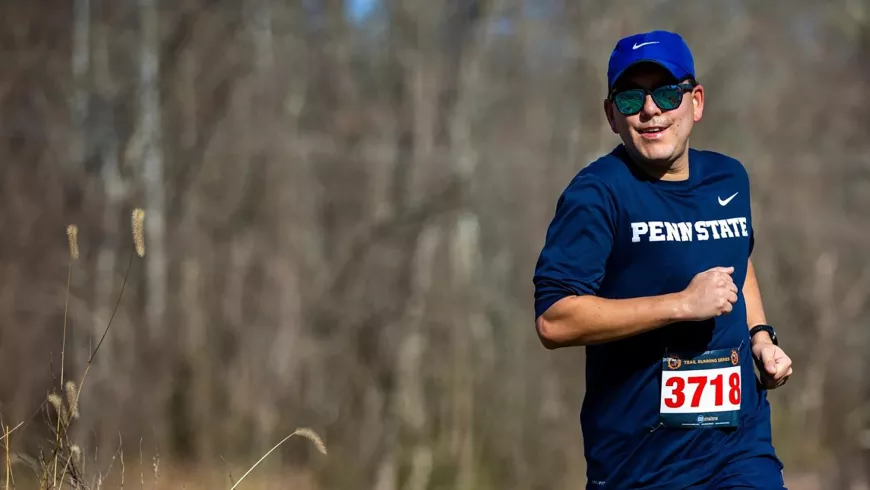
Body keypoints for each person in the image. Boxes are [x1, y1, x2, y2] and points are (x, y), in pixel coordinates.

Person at [532, 30, 794, 489]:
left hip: (739, 451)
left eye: (666, 93)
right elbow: (555, 321)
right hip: (640, 467)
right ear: (612, 115)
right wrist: (679, 304)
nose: (650, 110)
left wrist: (759, 336)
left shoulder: (729, 179)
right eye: (631, 99)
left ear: (695, 102)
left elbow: (737, 256)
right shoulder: (597, 194)